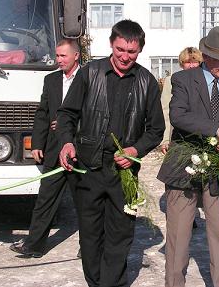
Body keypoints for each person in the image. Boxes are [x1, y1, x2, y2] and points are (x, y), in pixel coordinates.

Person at [57, 19, 165, 287]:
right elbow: (67, 114)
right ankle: (95, 282)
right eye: (120, 50)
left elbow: (155, 130)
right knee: (91, 236)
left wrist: (134, 150)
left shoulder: (147, 82)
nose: (125, 57)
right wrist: (67, 142)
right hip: (88, 168)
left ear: (140, 50)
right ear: (111, 44)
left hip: (124, 172)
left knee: (120, 234)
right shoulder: (89, 73)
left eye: (132, 52)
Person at [157, 26, 219, 287]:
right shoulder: (184, 80)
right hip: (182, 170)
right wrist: (216, 129)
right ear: (206, 56)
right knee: (178, 238)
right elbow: (178, 115)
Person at [10, 38, 80, 258]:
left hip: (79, 152)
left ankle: (89, 246)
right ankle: (34, 245)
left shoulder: (89, 78)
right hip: (53, 150)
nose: (58, 60)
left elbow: (95, 112)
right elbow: (42, 113)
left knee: (86, 203)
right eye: (57, 55)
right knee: (45, 200)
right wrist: (38, 143)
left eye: (63, 56)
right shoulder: (50, 80)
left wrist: (69, 124)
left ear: (76, 56)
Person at [160, 46, 203, 153]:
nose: (192, 65)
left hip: (203, 131)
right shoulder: (172, 80)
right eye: (188, 62)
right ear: (181, 63)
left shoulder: (205, 80)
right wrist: (165, 139)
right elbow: (165, 111)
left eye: (195, 61)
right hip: (179, 134)